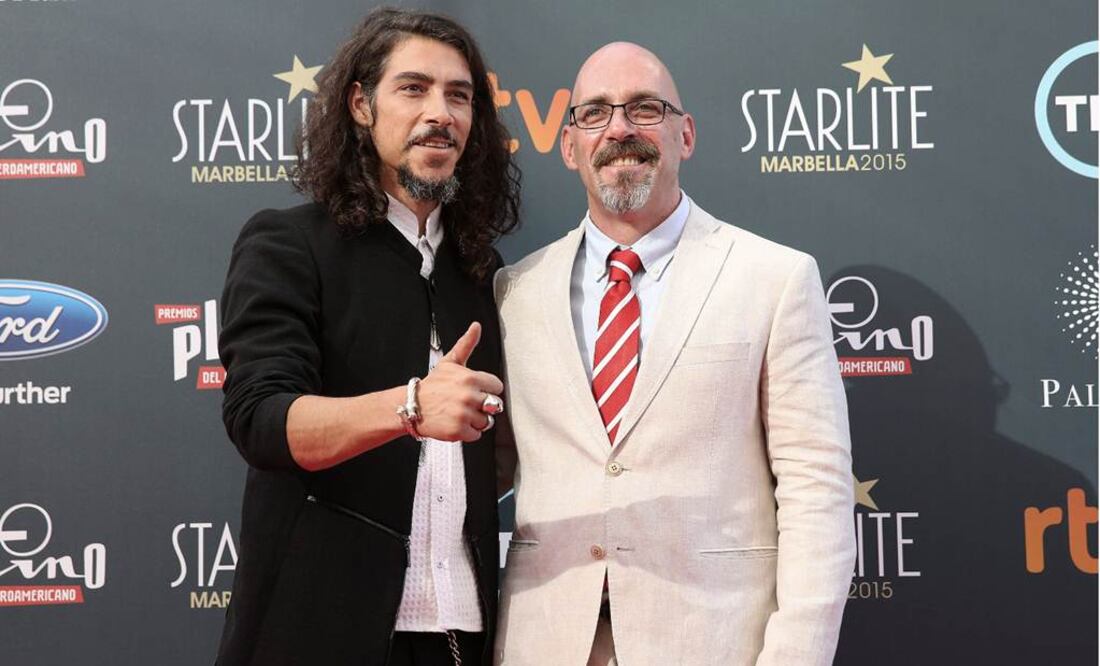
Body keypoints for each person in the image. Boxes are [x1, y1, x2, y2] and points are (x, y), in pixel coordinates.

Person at [493, 42, 854, 666]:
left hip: (714, 643)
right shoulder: (514, 291)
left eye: (644, 108)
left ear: (685, 135)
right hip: (545, 641)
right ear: (569, 145)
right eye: (595, 113)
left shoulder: (775, 279)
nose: (620, 129)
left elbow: (816, 488)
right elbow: (489, 472)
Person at [215, 9, 520, 666]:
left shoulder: (482, 270)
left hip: (463, 633)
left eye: (459, 95)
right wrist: (411, 407)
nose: (439, 113)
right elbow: (261, 421)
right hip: (316, 633)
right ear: (361, 104)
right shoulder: (289, 244)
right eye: (413, 89)